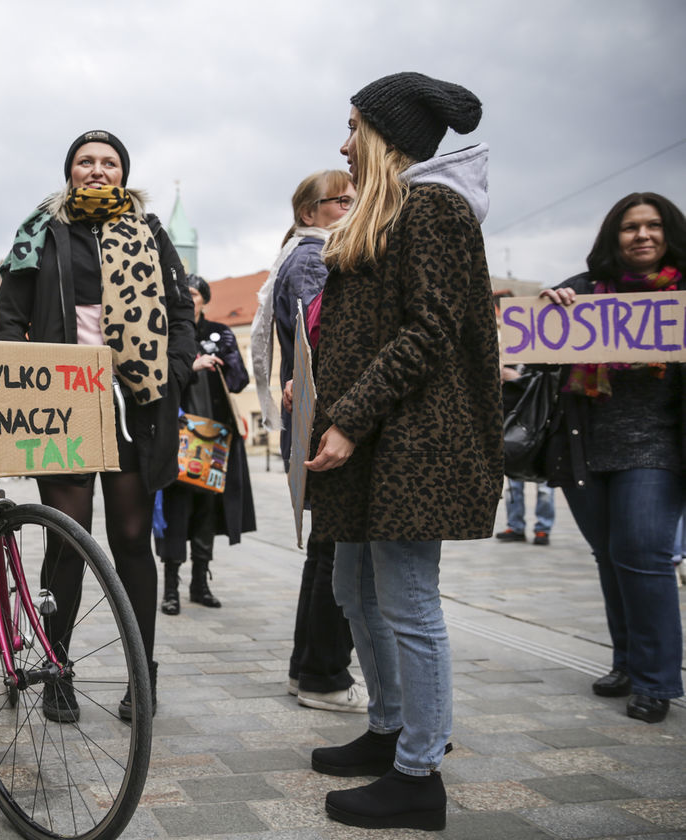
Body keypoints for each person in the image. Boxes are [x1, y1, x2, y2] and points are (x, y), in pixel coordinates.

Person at [304, 73, 500, 831]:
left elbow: (431, 329)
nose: (343, 143)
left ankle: (419, 774)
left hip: (416, 441)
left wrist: (349, 417)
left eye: (353, 127)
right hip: (377, 437)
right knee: (355, 588)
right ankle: (388, 729)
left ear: (386, 137)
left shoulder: (437, 209)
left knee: (410, 603)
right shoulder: (389, 211)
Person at [0, 129, 198, 723]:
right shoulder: (41, 229)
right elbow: (10, 315)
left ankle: (142, 677)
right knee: (68, 538)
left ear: (123, 173)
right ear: (70, 171)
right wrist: (20, 377)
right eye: (85, 161)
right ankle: (55, 667)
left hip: (137, 401)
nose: (97, 170)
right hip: (63, 401)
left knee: (134, 539)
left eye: (109, 162)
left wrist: (177, 368)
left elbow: (180, 308)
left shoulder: (151, 231)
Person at [541, 192, 686, 724]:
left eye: (653, 226)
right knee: (610, 556)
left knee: (643, 556)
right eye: (630, 227)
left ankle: (655, 681)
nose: (642, 235)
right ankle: (626, 662)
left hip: (657, 449)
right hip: (584, 448)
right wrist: (548, 307)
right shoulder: (581, 291)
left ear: (668, 234)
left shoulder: (682, 294)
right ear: (614, 236)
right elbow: (535, 349)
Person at [250, 170, 368, 714]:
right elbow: (328, 335)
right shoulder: (313, 257)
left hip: (317, 420)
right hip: (329, 421)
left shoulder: (299, 255)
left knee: (325, 550)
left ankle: (310, 670)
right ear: (308, 213)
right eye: (339, 200)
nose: (350, 206)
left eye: (354, 198)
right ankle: (323, 674)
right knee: (335, 554)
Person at [157, 275, 254, 614]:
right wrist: (191, 364)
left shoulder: (219, 332)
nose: (187, 298)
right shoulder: (166, 331)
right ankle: (170, 588)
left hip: (213, 436)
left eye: (193, 293)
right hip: (177, 435)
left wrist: (223, 358)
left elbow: (240, 381)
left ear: (204, 299)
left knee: (207, 511)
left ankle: (200, 583)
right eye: (182, 293)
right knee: (175, 510)